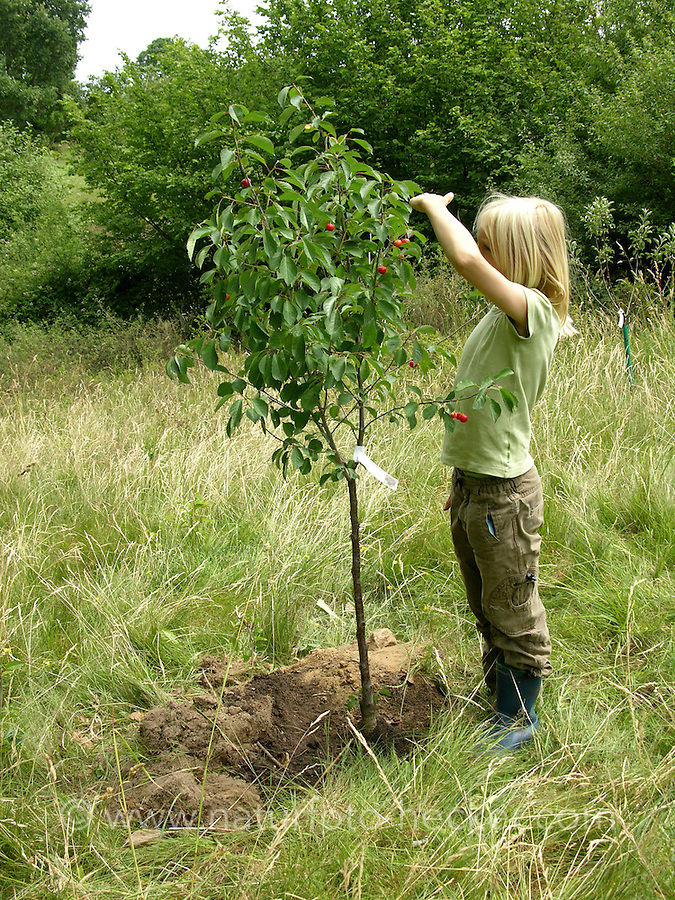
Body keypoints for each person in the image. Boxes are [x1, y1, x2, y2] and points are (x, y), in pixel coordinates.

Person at [409, 191, 572, 752]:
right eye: (478, 240)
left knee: (511, 605)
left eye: (489, 244)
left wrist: (435, 209)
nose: (478, 250)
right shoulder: (501, 317)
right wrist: (460, 484)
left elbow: (464, 261)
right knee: (486, 602)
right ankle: (499, 698)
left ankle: (519, 720)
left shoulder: (534, 314)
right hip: (476, 488)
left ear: (522, 255)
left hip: (505, 495)